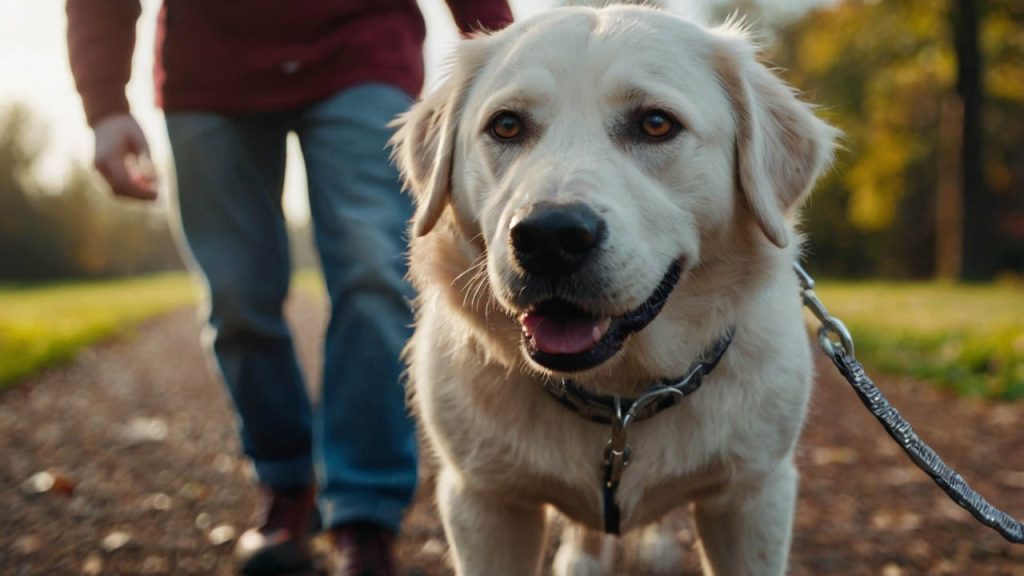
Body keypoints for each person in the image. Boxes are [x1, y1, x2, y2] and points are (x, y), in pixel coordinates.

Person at [66, 1, 513, 575]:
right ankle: (287, 483)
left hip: (362, 48)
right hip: (207, 70)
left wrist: (507, 55)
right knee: (236, 297)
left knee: (374, 271)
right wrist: (103, 103)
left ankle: (363, 512)